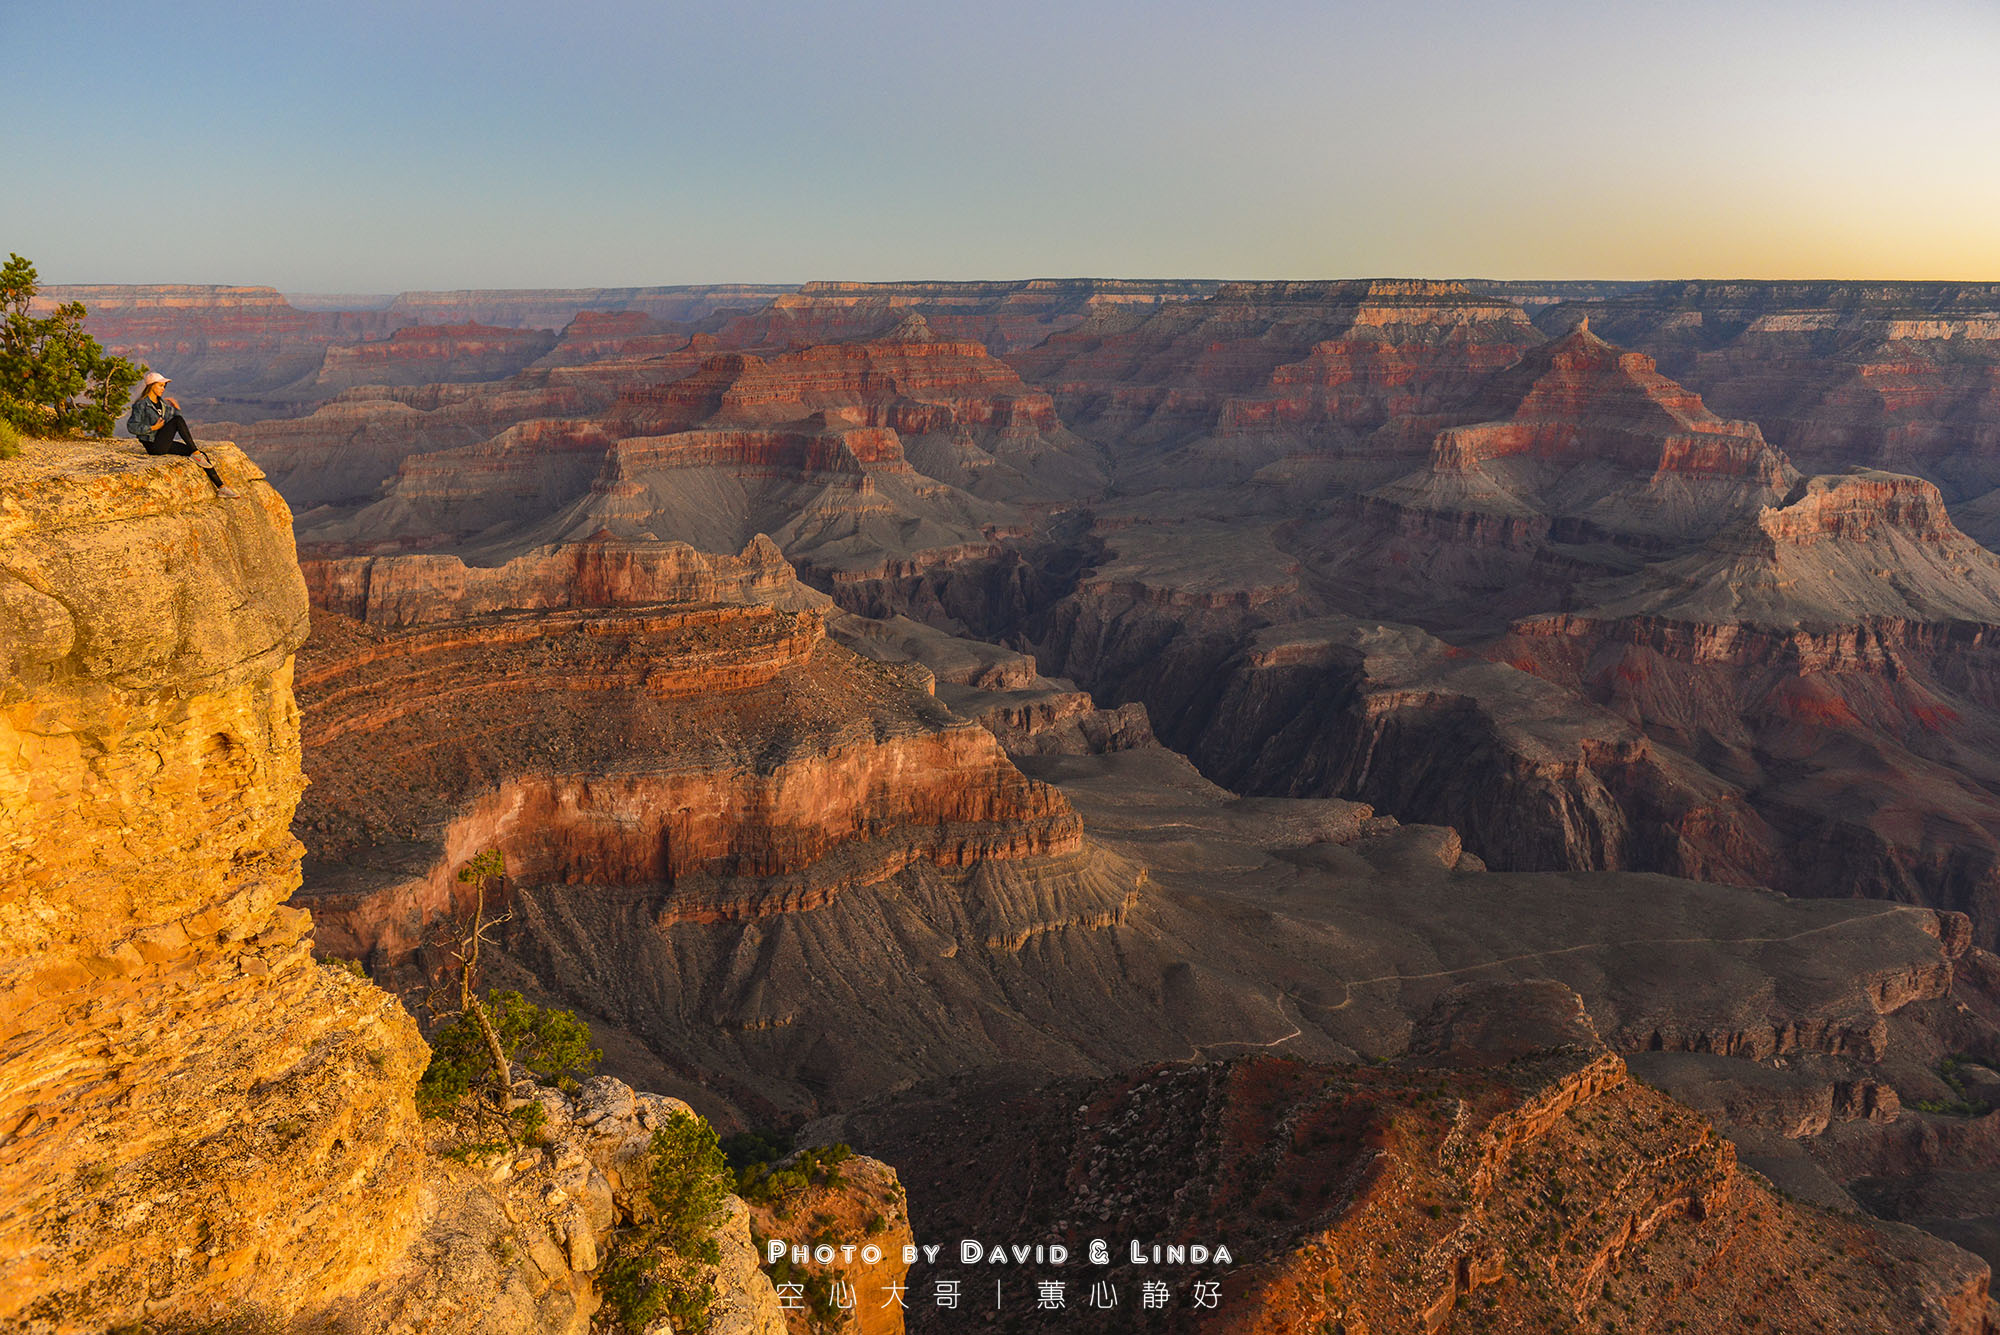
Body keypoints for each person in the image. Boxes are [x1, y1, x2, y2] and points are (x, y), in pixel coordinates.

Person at [127, 372, 240, 498]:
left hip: (162, 442)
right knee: (179, 422)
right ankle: (195, 452)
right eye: (160, 386)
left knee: (201, 455)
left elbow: (170, 418)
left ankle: (221, 488)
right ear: (152, 386)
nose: (163, 389)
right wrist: (153, 427)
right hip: (153, 445)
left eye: (164, 386)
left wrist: (177, 408)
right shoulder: (141, 404)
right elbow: (132, 426)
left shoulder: (161, 403)